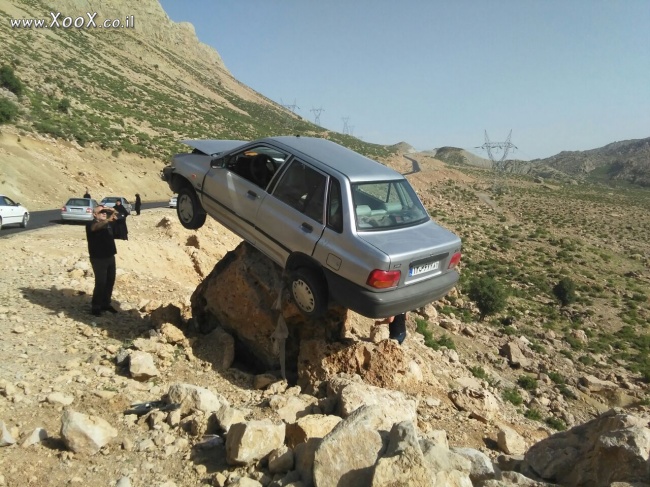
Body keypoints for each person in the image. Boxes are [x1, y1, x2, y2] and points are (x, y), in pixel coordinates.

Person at [86, 205, 118, 316]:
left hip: (110, 256)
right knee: (101, 283)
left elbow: (120, 217)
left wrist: (113, 211)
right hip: (98, 258)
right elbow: (95, 227)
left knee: (110, 281)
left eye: (105, 212)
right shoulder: (91, 224)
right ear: (95, 214)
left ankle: (106, 304)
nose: (104, 213)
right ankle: (96, 306)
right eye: (101, 212)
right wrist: (108, 219)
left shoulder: (107, 223)